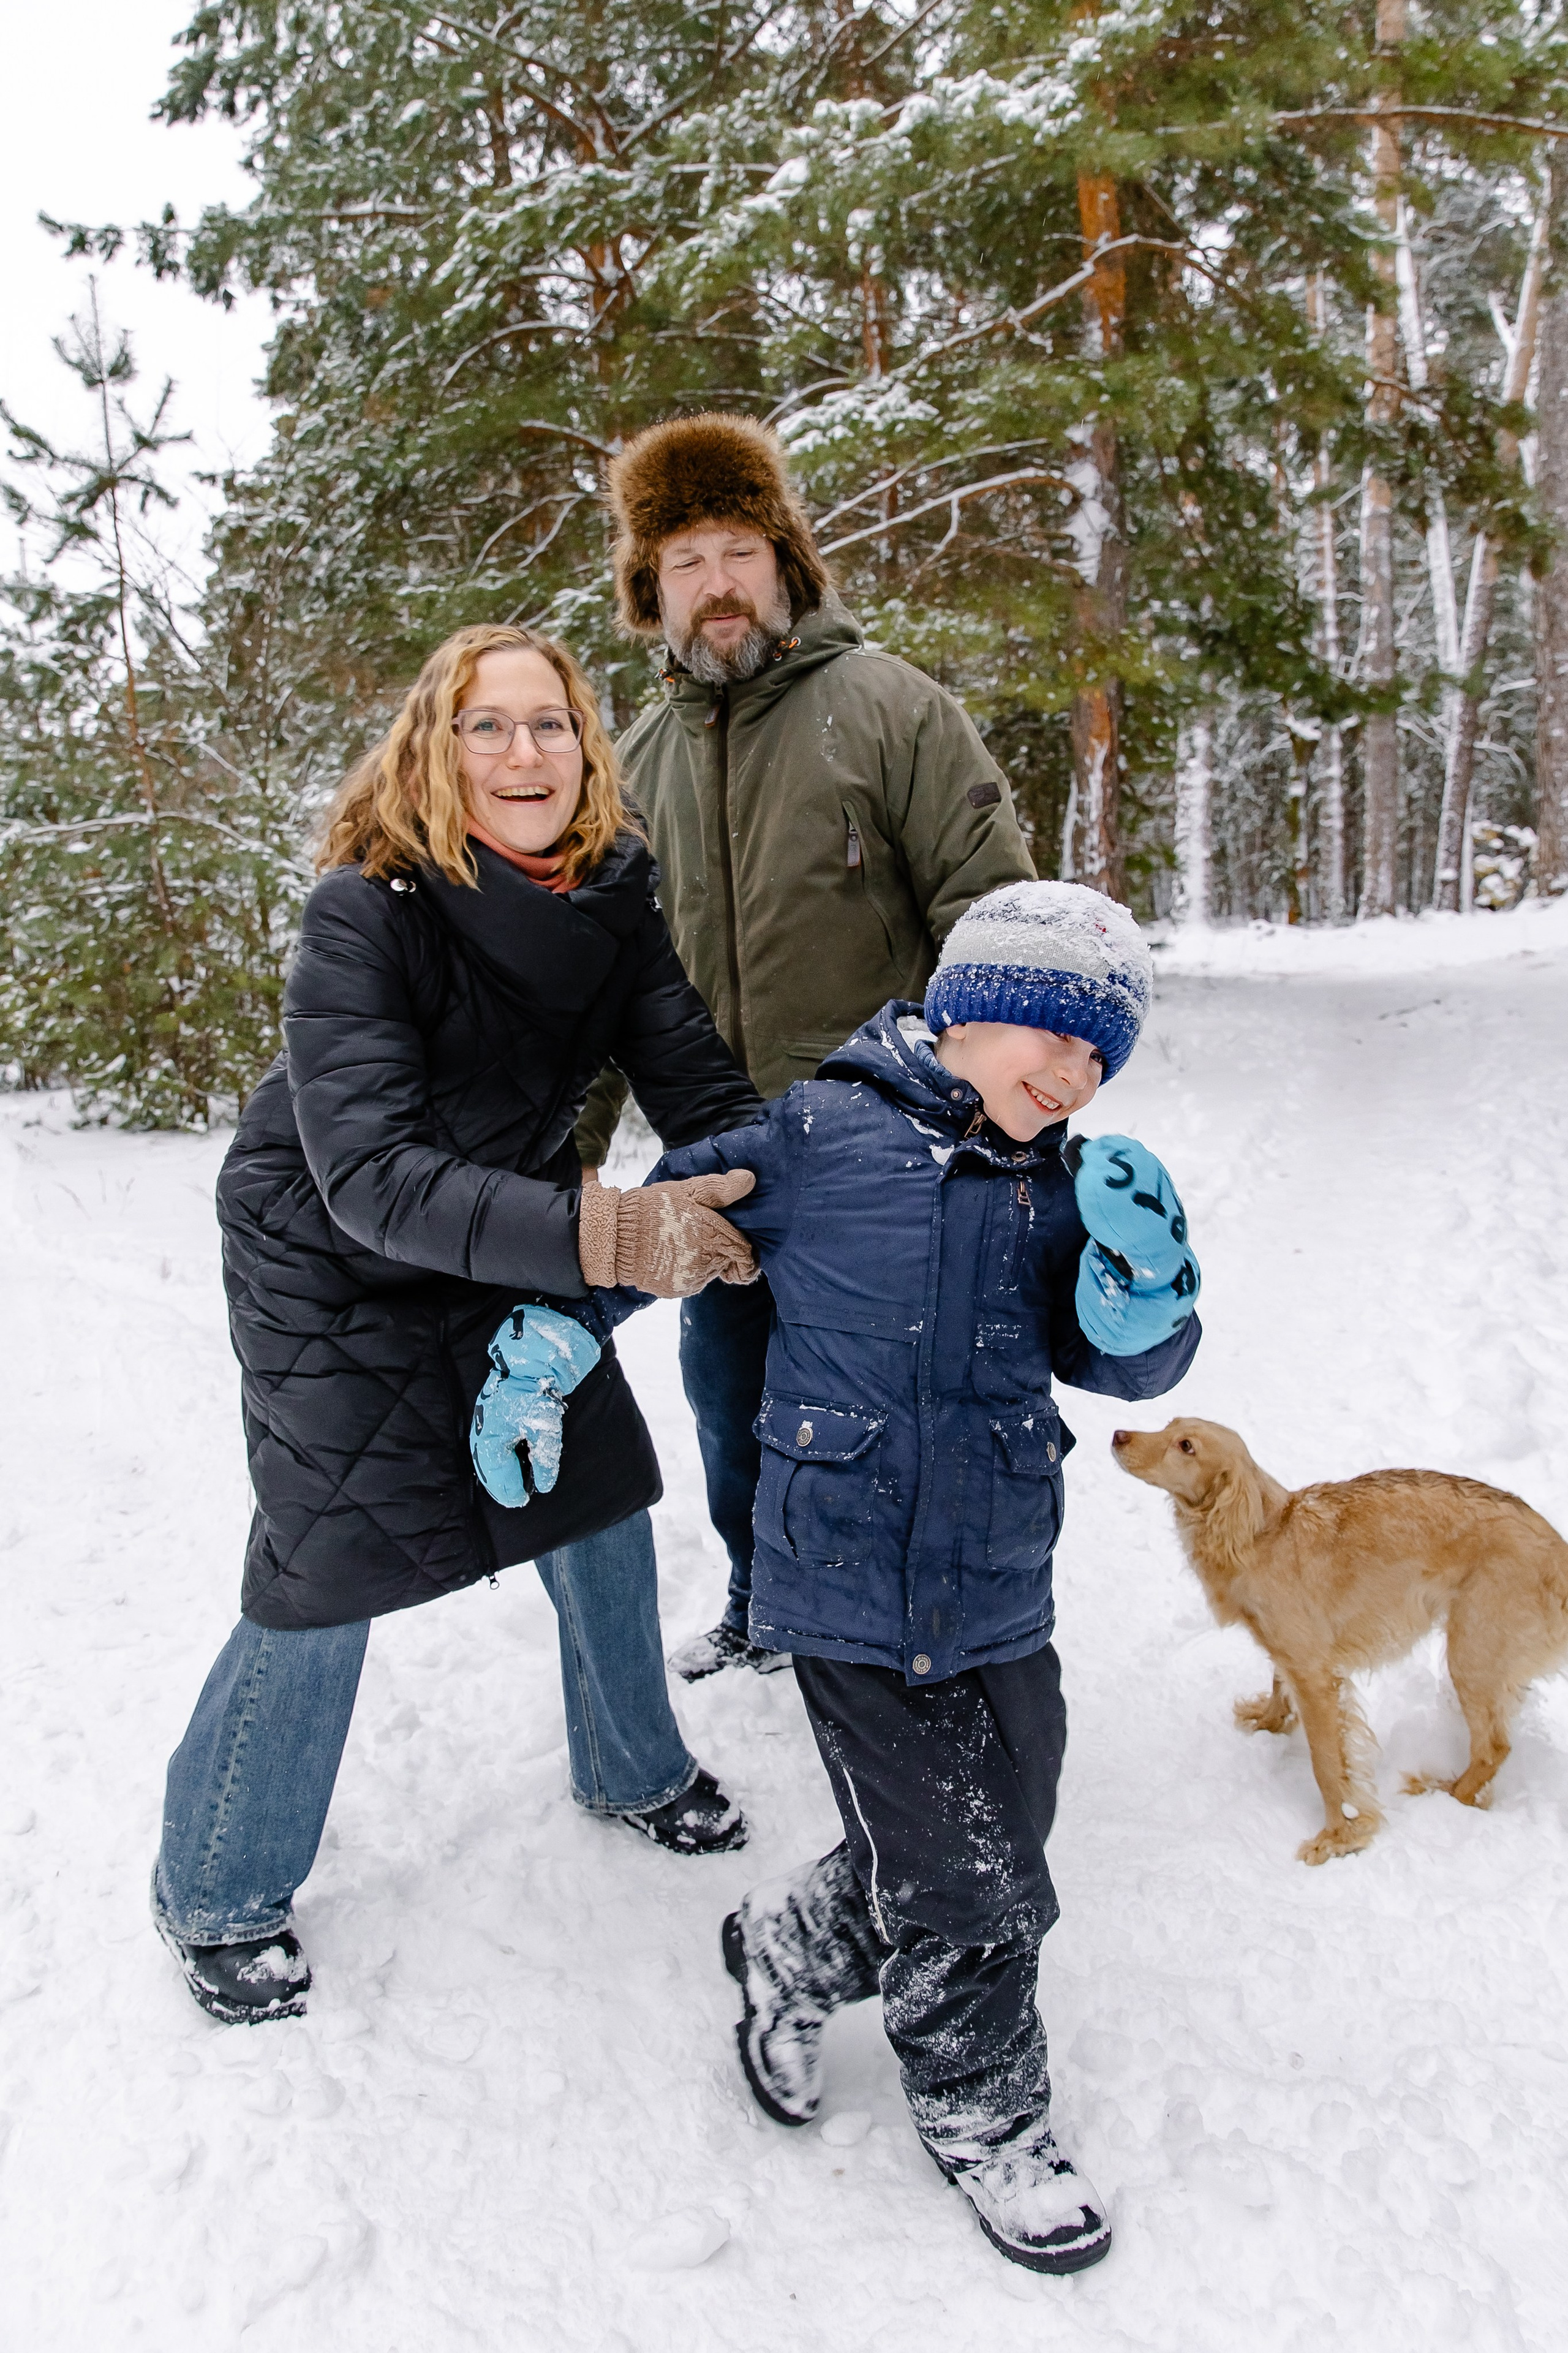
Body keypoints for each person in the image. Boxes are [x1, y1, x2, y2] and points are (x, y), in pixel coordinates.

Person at [153, 622, 764, 2026]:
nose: (522, 752)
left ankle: (631, 1763)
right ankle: (215, 1882)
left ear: (586, 746)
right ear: (435, 746)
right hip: (327, 1251)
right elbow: (365, 1172)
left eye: (548, 724)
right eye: (486, 726)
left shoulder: (611, 898)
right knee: (335, 1557)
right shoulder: (364, 909)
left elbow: (698, 1085)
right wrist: (609, 1232)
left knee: (594, 1484)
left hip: (509, 1220)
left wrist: (787, 1172)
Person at [636, 882, 1202, 2273]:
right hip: (842, 1584)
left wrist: (1146, 1287)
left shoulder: (1059, 1183)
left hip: (998, 1573)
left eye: (1099, 1057)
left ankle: (792, 1939)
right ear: (965, 1009)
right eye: (1059, 1038)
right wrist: (550, 1336)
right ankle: (986, 2115)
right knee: (967, 1876)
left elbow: (1117, 1363)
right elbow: (659, 1216)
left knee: (1012, 1817)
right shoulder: (817, 1138)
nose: (1074, 1073)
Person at [575, 411, 1039, 1682]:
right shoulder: (636, 763)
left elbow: (992, 926)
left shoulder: (890, 710)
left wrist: (989, 1118)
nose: (714, 583)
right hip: (718, 1169)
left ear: (784, 562)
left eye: (735, 549)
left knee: (882, 1417)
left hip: (886, 1156)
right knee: (729, 1405)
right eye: (682, 561)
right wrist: (546, 1157)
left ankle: (898, 1641)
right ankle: (762, 1602)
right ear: (647, 591)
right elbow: (597, 982)